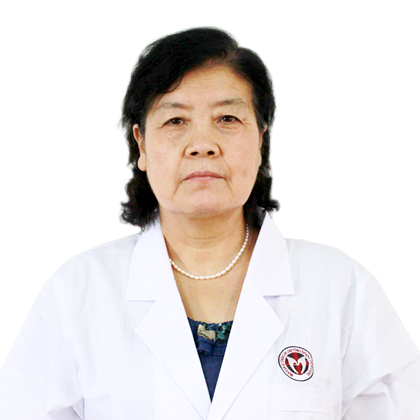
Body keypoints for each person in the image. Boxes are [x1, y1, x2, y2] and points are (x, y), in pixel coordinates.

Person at [0, 27, 419, 420]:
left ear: (260, 138)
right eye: (175, 121)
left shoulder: (341, 289)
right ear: (141, 144)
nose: (202, 144)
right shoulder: (76, 293)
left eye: (227, 119)